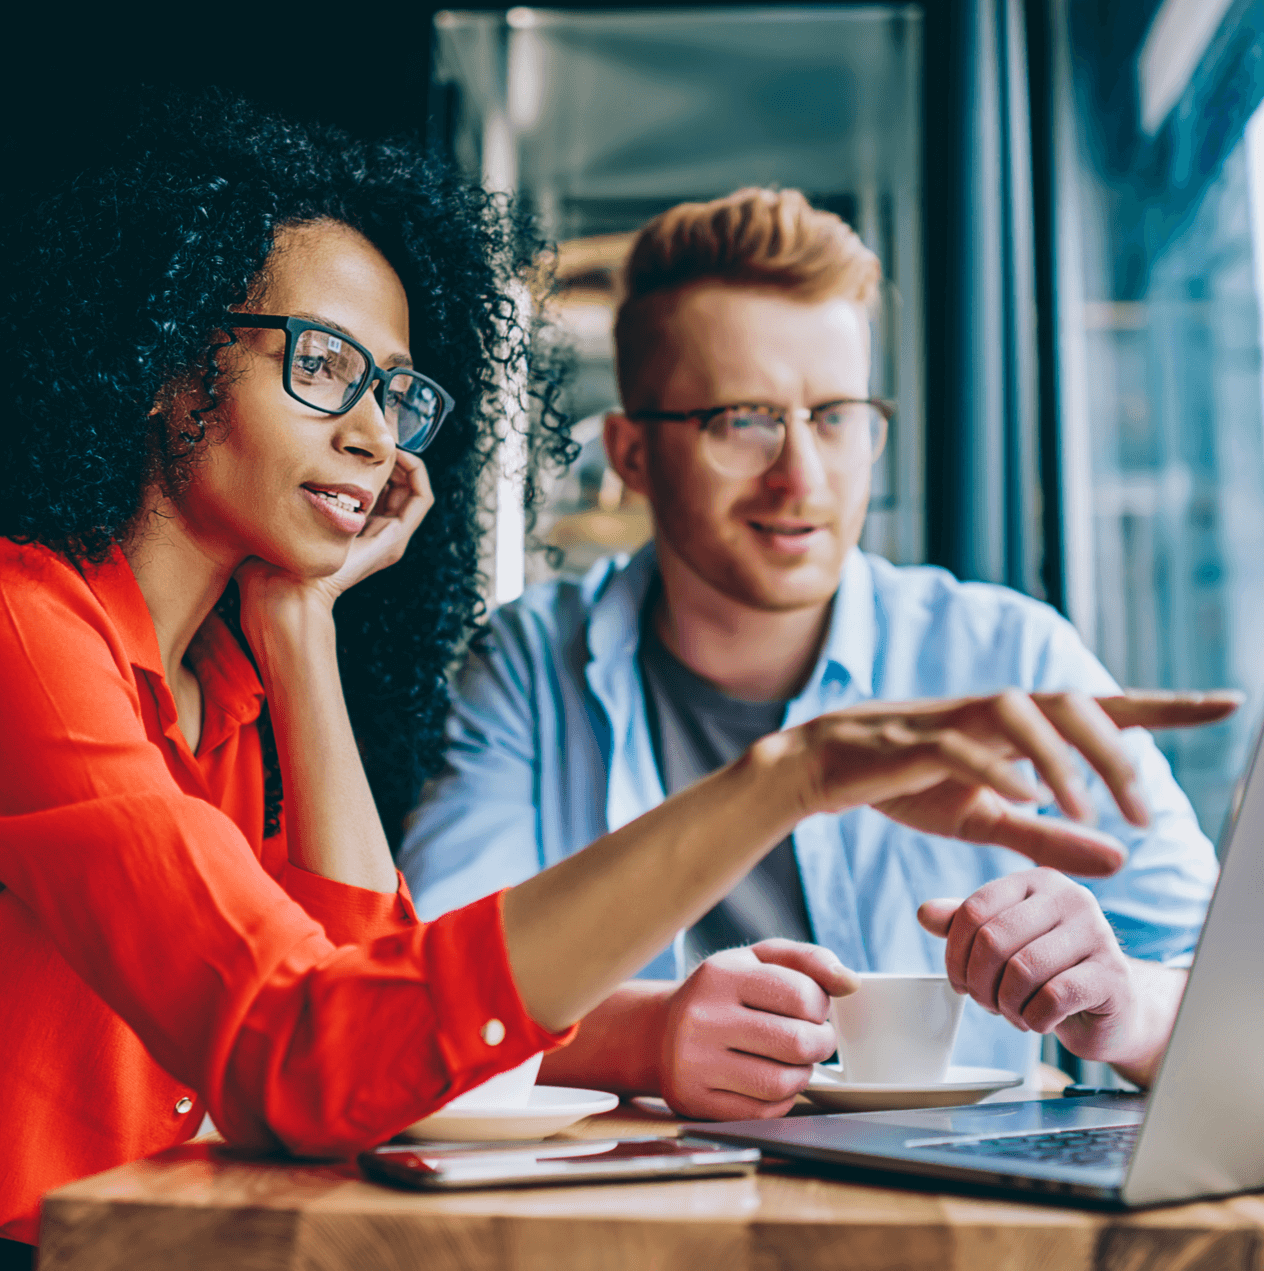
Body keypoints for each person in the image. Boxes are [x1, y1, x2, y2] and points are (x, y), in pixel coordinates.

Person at [0, 103, 1229, 1262]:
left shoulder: (231, 680)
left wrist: (304, 627)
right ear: (162, 352)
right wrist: (784, 784)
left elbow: (372, 1006)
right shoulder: (34, 638)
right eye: (324, 365)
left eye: (396, 393)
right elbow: (350, 1043)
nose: (377, 435)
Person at [400, 187, 1227, 1119]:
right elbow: (421, 997)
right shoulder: (530, 664)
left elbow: (1239, 1010)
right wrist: (648, 1035)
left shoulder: (1008, 654)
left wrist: (1124, 1007)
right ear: (632, 454)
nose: (803, 475)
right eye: (743, 420)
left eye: (835, 416)